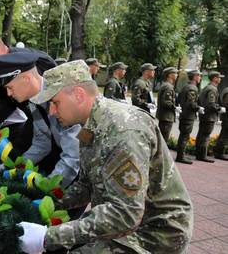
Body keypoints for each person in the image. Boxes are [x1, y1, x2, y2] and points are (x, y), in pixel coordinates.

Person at [18, 60, 193, 254]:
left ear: (78, 95)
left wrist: (47, 237)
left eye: (54, 102)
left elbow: (125, 213)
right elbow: (86, 185)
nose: (51, 112)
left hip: (157, 232)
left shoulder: (122, 132)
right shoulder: (91, 125)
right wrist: (48, 202)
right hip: (128, 219)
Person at [0, 52, 80, 188]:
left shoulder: (61, 97)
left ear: (26, 78)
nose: (8, 93)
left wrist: (47, 189)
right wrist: (17, 166)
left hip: (81, 174)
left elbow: (73, 158)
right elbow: (42, 142)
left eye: (10, 87)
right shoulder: (33, 101)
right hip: (64, 167)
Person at [195, 71, 225, 162]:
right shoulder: (212, 89)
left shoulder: (207, 87)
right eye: (219, 77)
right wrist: (219, 108)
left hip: (205, 115)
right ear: (214, 78)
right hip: (209, 116)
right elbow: (211, 104)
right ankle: (202, 156)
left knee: (201, 135)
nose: (220, 79)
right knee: (205, 136)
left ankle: (199, 154)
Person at [175, 70, 202, 164]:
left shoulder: (186, 87)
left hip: (184, 115)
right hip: (188, 116)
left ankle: (180, 155)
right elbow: (191, 103)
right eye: (198, 76)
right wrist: (199, 108)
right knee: (185, 136)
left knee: (183, 135)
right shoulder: (192, 88)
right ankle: (180, 157)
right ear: (194, 77)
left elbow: (178, 99)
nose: (200, 78)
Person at [156, 67, 179, 142]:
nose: (177, 75)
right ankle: (161, 154)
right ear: (170, 75)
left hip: (165, 117)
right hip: (166, 117)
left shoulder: (166, 85)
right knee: (163, 140)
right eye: (175, 73)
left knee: (162, 139)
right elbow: (166, 102)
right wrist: (175, 107)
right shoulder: (168, 86)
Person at [213, 85, 228, 160]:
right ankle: (220, 153)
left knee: (223, 134)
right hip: (226, 117)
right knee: (225, 136)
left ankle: (217, 151)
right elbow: (226, 104)